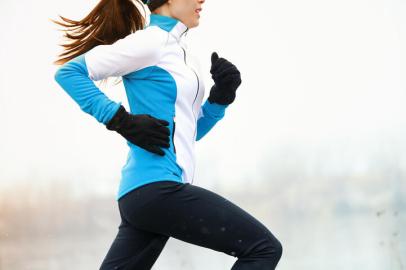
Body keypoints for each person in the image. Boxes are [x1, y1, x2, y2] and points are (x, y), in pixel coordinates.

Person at [53, 0, 283, 269]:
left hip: (143, 197)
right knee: (263, 249)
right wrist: (120, 119)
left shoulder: (182, 54)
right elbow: (69, 73)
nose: (202, 0)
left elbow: (188, 133)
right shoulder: (150, 43)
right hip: (156, 189)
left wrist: (220, 98)